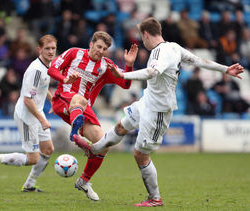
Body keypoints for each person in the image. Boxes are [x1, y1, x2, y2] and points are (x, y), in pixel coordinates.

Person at [74, 17, 244, 207]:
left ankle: (155, 198)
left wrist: (123, 74)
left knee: (140, 154)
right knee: (121, 126)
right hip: (147, 101)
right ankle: (94, 149)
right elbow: (198, 60)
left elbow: (151, 72)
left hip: (159, 110)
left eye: (142, 37)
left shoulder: (158, 53)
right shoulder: (174, 47)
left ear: (146, 34)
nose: (142, 42)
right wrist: (225, 69)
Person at [0, 35, 78, 192]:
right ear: (39, 49)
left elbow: (43, 88)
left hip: (36, 113)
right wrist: (42, 120)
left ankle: (29, 185)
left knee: (48, 149)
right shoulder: (36, 70)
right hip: (27, 116)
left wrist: (52, 100)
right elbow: (27, 100)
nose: (50, 52)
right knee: (32, 158)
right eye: (47, 49)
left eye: (53, 49)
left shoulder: (48, 67)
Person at [47, 31, 138, 201]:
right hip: (62, 99)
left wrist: (129, 66)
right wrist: (65, 79)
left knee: (104, 143)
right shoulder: (74, 53)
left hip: (83, 108)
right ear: (91, 44)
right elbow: (52, 69)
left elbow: (125, 84)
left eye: (104, 49)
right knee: (79, 99)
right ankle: (74, 134)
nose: (100, 51)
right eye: (98, 46)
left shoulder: (106, 66)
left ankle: (84, 181)